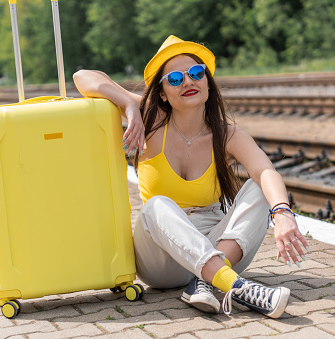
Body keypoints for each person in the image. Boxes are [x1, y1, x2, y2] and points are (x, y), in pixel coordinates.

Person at [73, 35, 310, 319]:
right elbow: (82, 77)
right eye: (174, 79)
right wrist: (128, 105)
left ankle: (205, 280)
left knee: (261, 188)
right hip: (163, 260)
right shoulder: (150, 124)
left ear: (207, 83)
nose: (188, 81)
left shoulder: (227, 135)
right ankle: (233, 285)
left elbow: (266, 170)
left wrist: (282, 213)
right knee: (155, 206)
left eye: (197, 73)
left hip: (219, 245)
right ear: (161, 93)